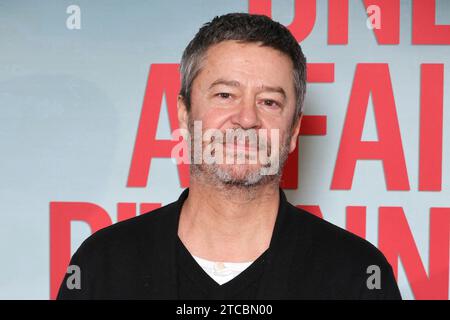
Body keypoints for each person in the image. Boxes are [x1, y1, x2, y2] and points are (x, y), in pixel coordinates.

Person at [57, 13, 401, 299]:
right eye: (225, 95)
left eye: (269, 102)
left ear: (294, 130)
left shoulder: (357, 275)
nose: (247, 119)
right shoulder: (102, 266)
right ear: (184, 113)